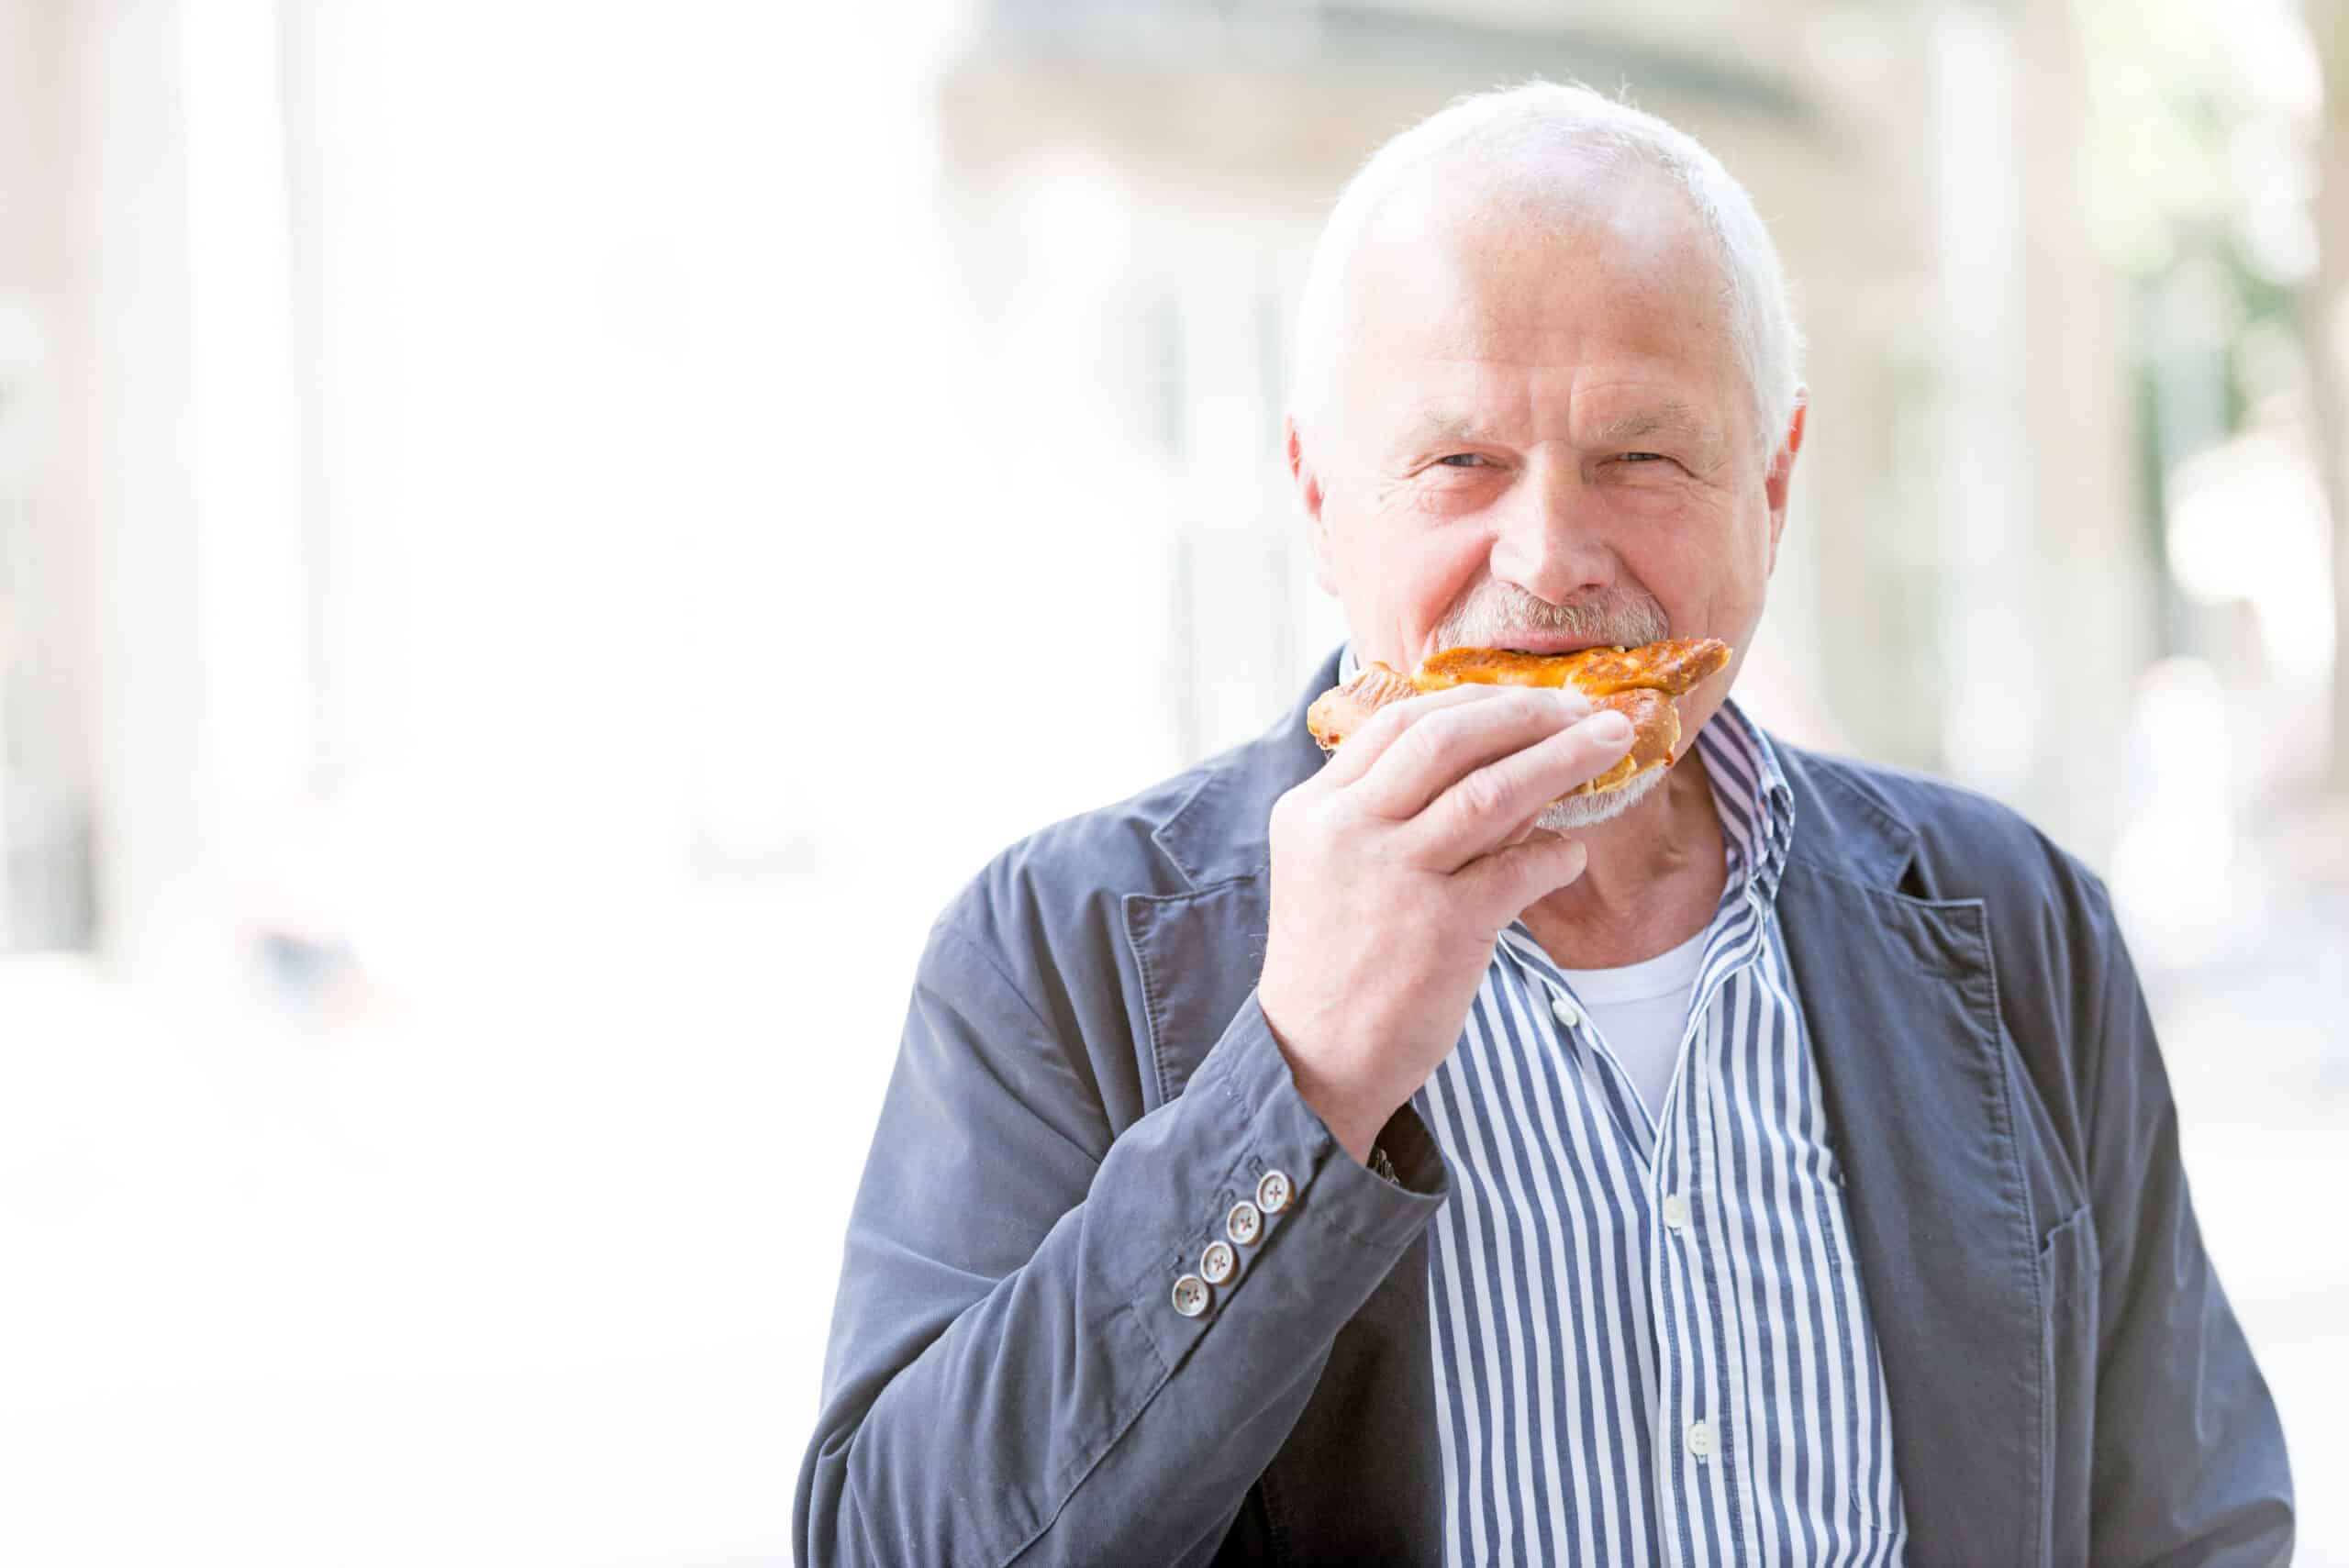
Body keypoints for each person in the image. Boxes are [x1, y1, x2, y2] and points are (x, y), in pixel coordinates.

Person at [794, 82, 2294, 1567]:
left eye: (1642, 457)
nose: (1553, 554)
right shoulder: (1051, 954)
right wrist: (1298, 1081)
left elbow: (2189, 1518)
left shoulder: (2020, 920)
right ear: (1320, 499)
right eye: (1460, 462)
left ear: (1772, 485)